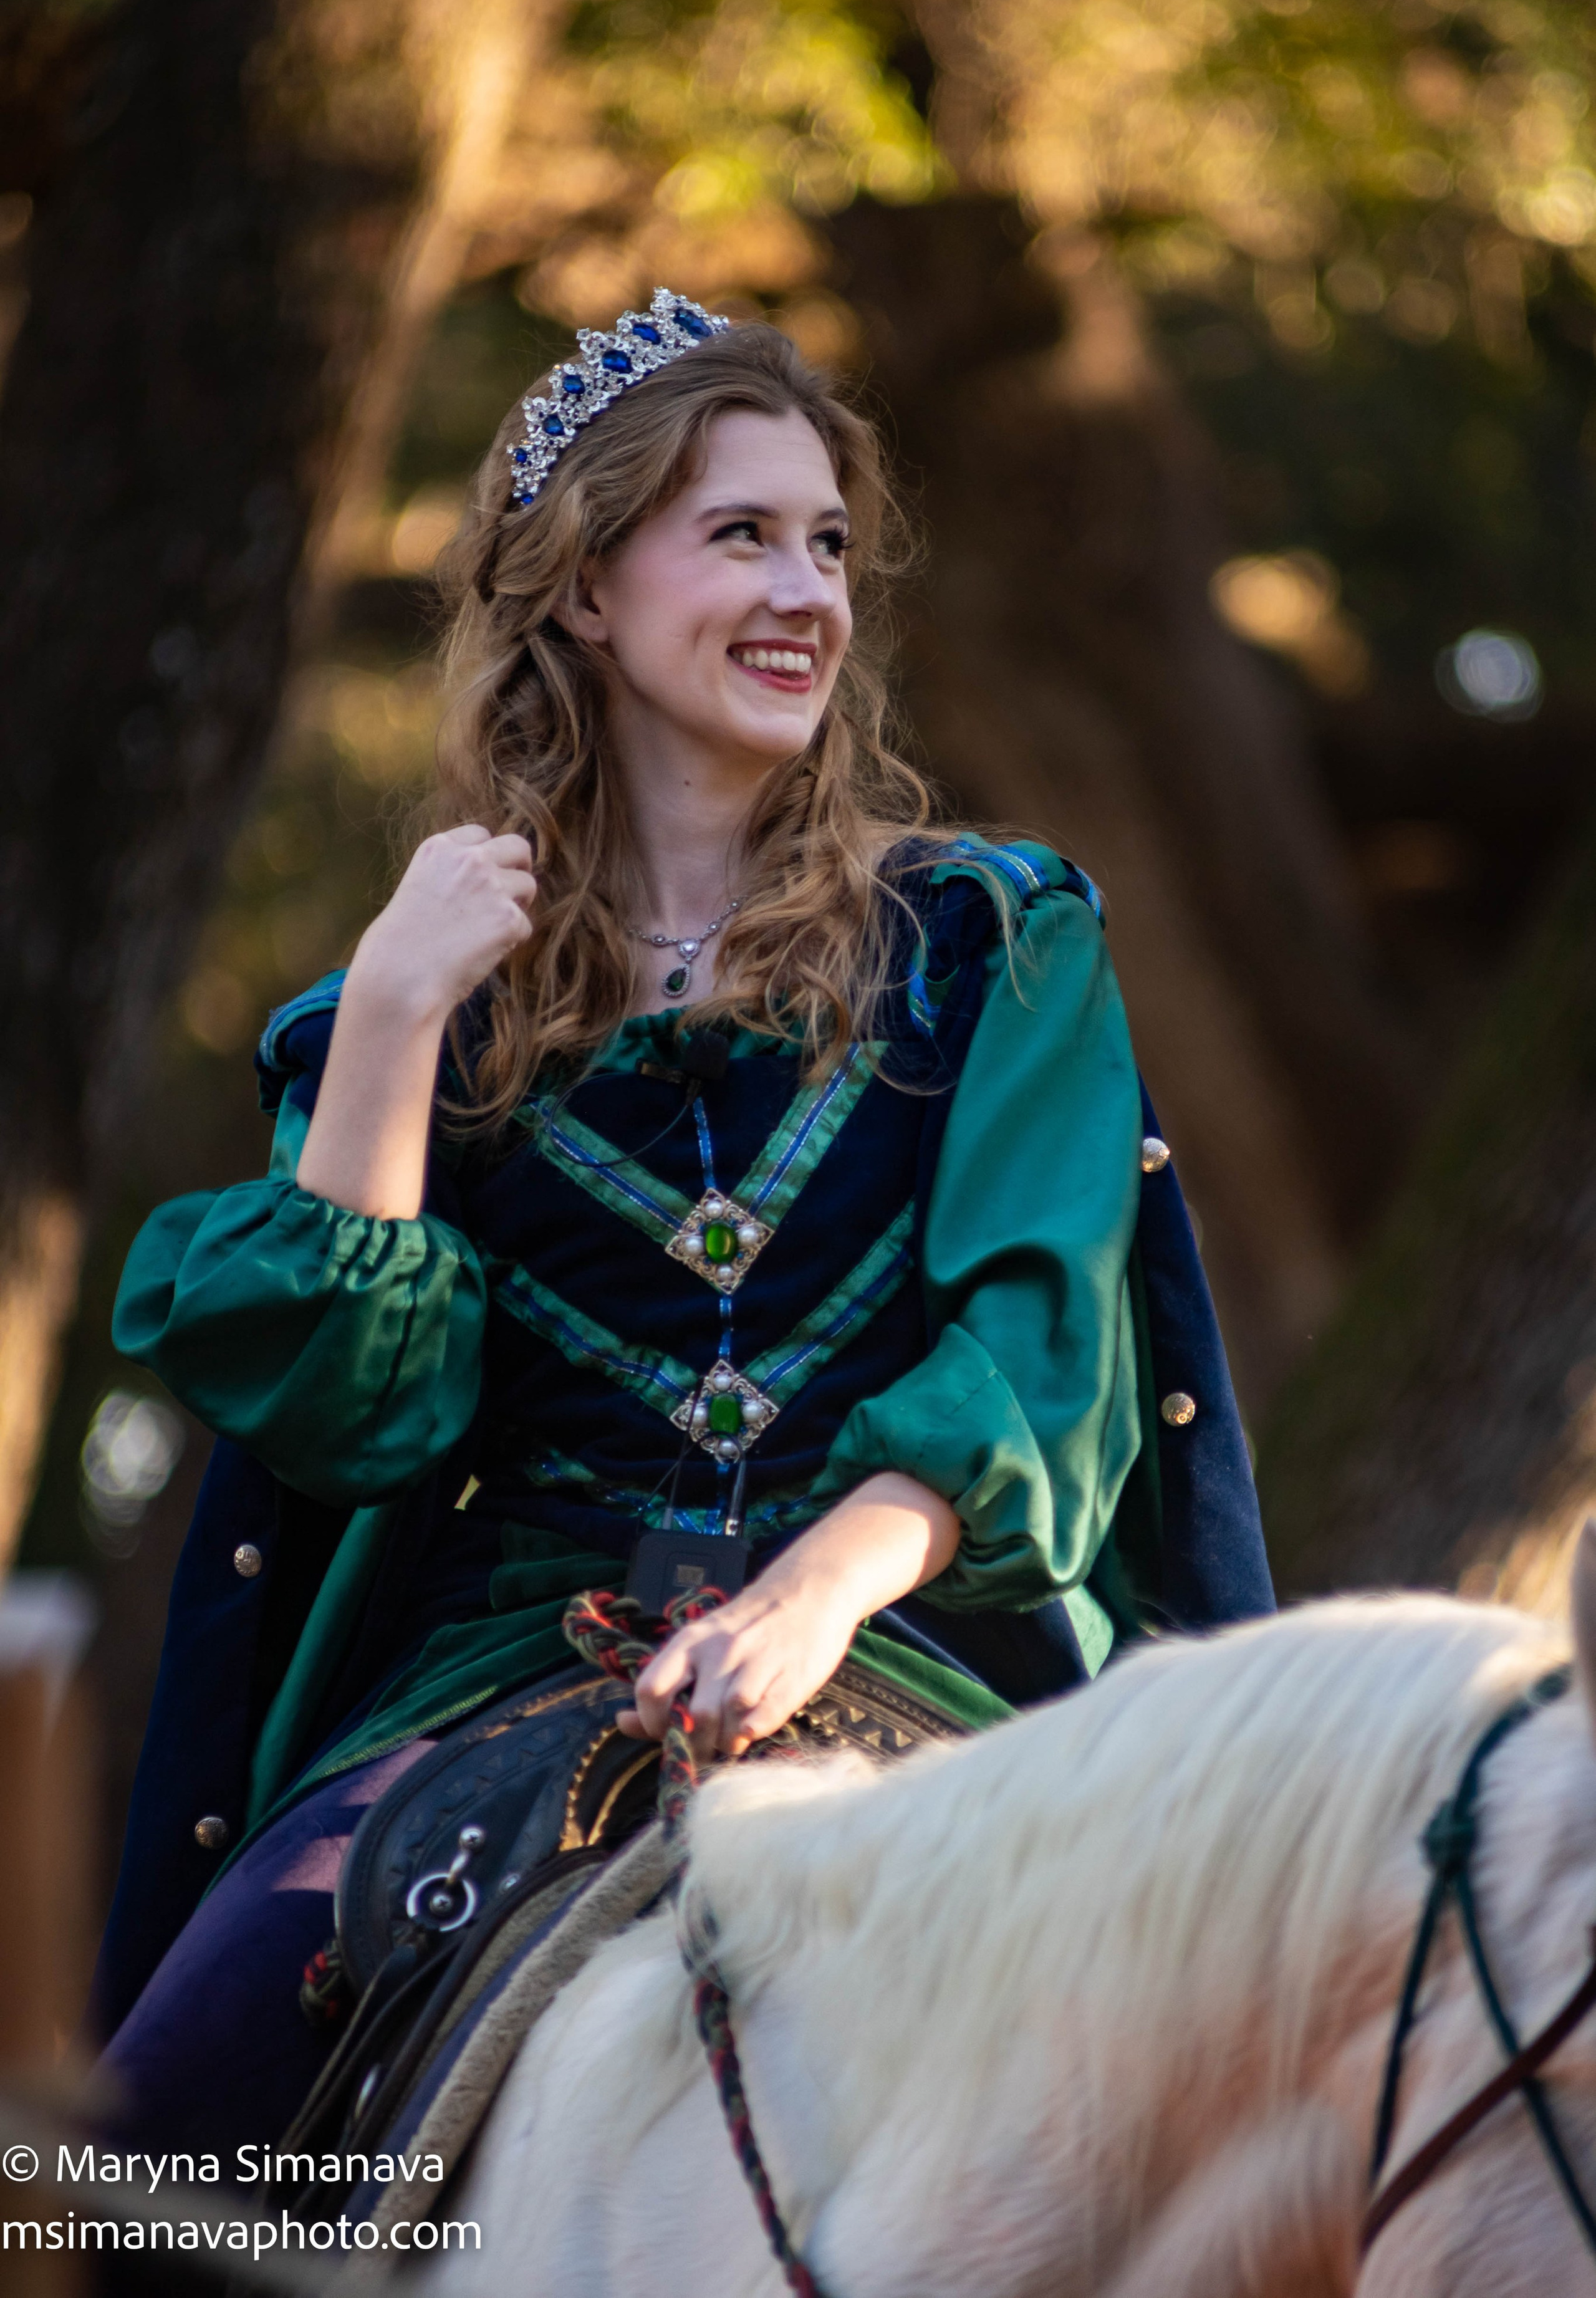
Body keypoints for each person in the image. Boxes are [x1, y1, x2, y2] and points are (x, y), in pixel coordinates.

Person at [93, 292, 1273, 2158]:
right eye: (740, 535)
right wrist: (398, 1013)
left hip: (907, 1632)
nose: (808, 591)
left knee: (1255, 2111)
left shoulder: (988, 948)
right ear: (581, 591)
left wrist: (812, 1596)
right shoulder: (407, 1008)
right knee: (140, 2157)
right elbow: (354, 1418)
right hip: (496, 1684)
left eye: (827, 545)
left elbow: (1042, 1351)